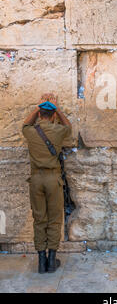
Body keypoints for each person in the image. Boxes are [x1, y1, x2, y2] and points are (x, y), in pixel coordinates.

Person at [22, 93, 72, 274]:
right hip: (53, 180)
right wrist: (57, 108)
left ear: (40, 114)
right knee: (54, 219)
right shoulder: (58, 131)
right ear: (52, 115)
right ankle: (52, 261)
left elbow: (25, 124)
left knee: (39, 219)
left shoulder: (30, 131)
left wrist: (38, 107)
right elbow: (68, 127)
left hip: (36, 180)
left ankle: (41, 262)